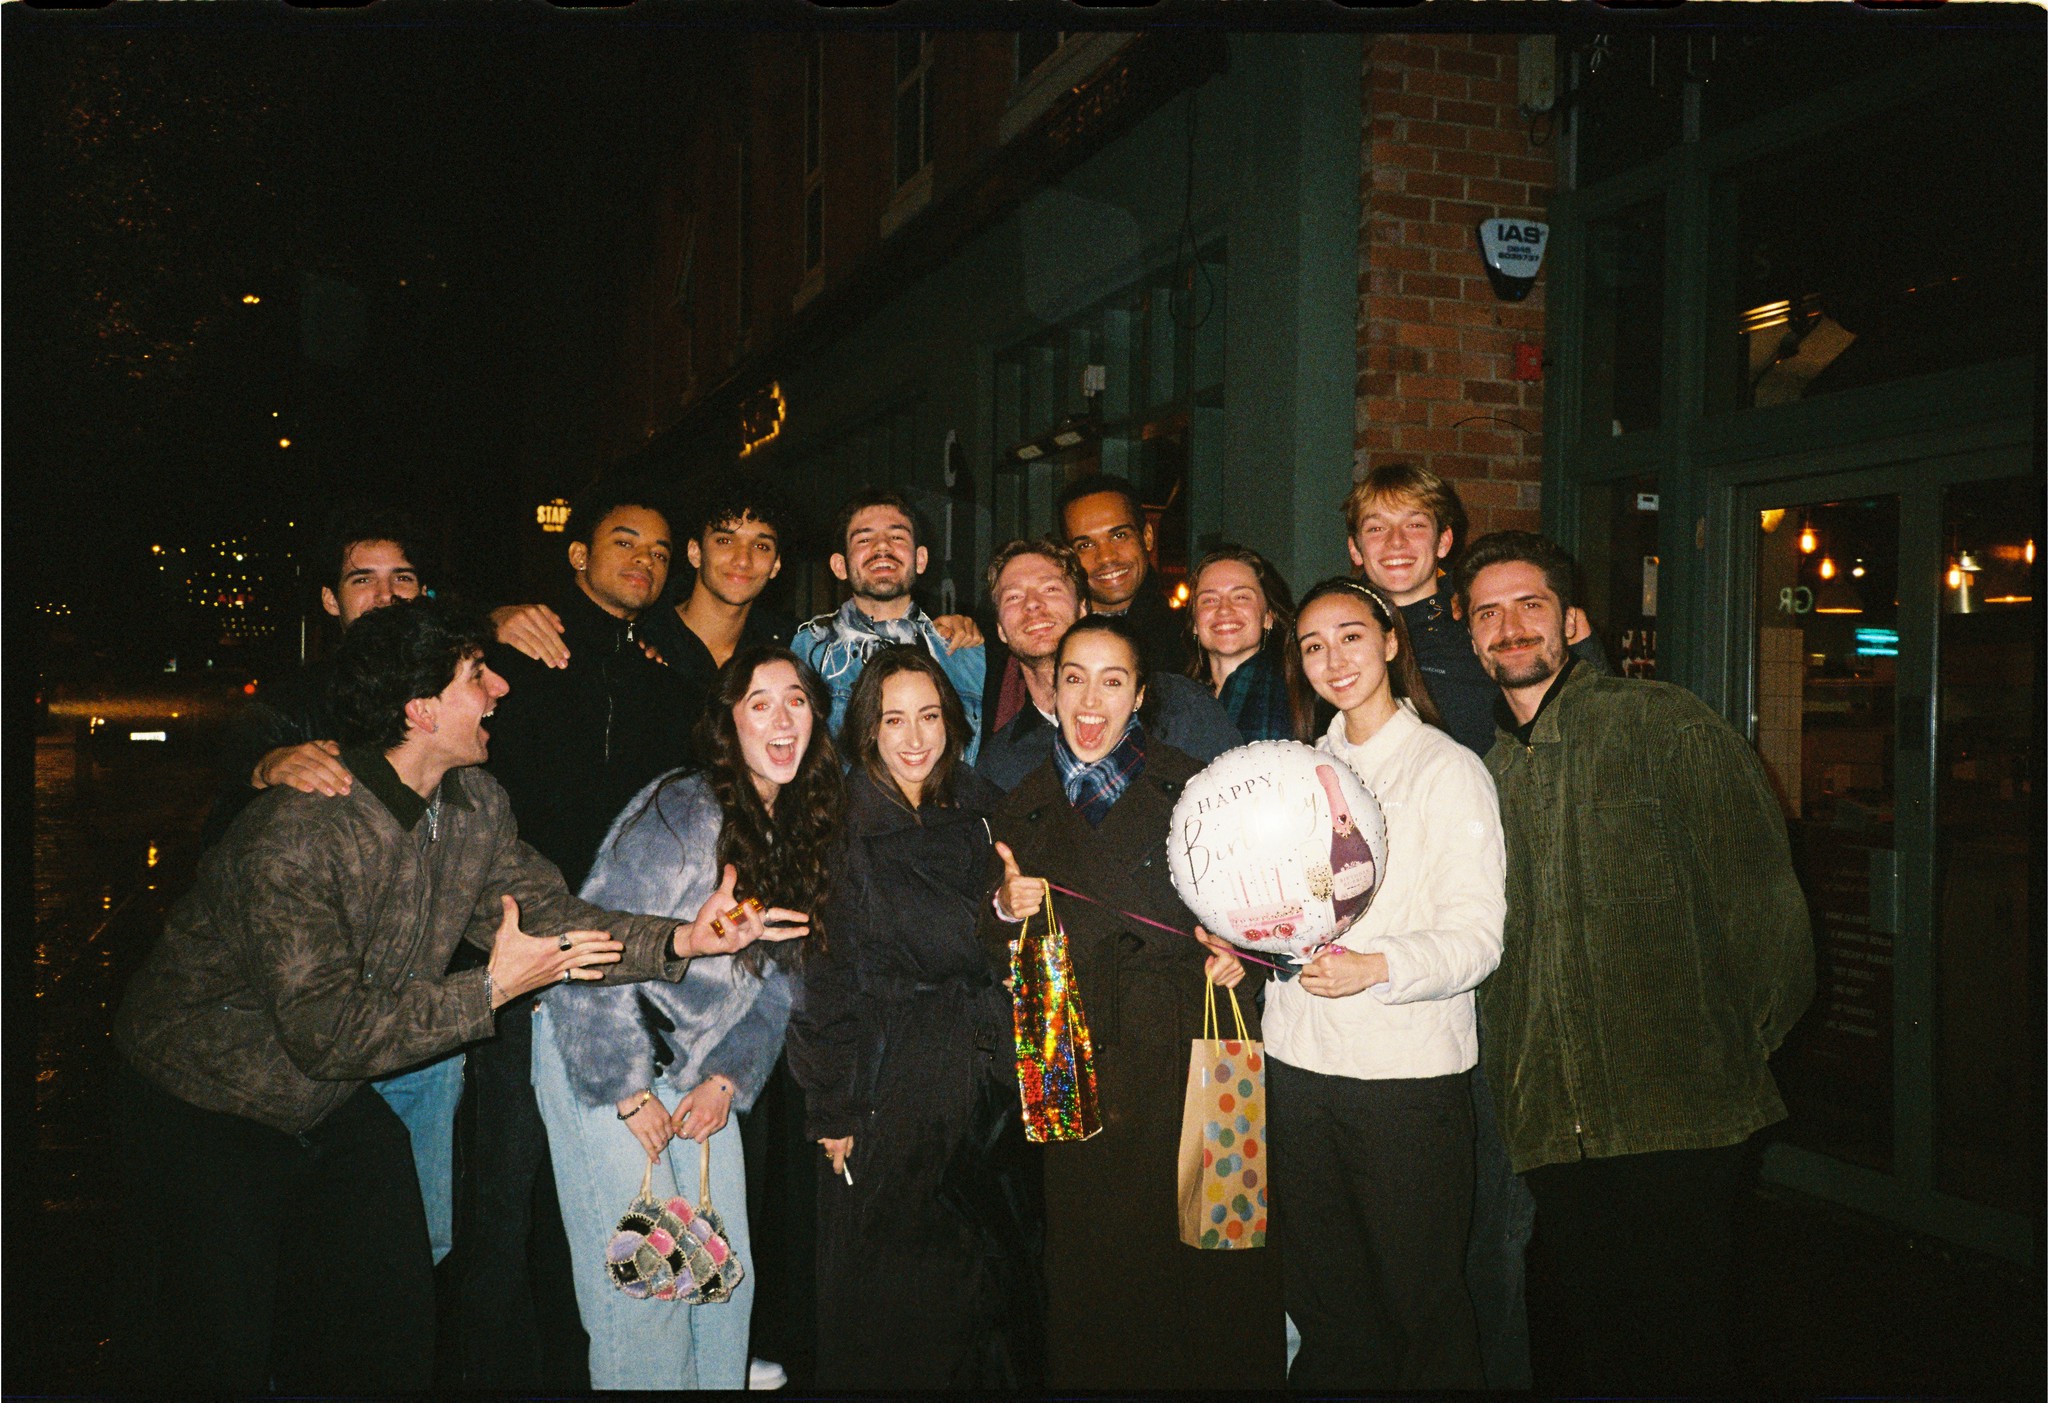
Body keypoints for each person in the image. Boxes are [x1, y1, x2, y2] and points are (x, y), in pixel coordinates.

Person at [112, 598, 776, 1393]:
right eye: (476, 675)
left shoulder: (473, 805)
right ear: (420, 709)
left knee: (390, 1324)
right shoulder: (298, 832)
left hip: (324, 1097)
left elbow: (556, 918)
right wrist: (492, 989)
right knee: (219, 1345)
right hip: (204, 1098)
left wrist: (683, 940)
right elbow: (327, 1032)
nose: (500, 687)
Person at [1454, 531, 1814, 1392]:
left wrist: (1731, 1051)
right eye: (1488, 613)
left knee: (1685, 1350)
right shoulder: (1480, 779)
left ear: (1571, 620)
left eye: (1530, 604)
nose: (1510, 626)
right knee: (1597, 1346)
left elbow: (1767, 911)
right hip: (1552, 1125)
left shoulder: (1663, 723)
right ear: (1469, 636)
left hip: (1679, 1114)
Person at [1201, 577, 1503, 1388]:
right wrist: (1241, 943)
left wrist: (1379, 966)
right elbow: (1282, 910)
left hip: (1404, 1083)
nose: (1333, 658)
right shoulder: (1301, 768)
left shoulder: (1448, 769)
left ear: (1392, 642)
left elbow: (1480, 937)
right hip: (1297, 1068)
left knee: (1422, 1310)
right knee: (1326, 1308)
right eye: (1312, 645)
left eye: (1351, 636)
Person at [1343, 461, 1607, 1389]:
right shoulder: (1343, 647)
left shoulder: (1481, 644)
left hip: (1499, 950)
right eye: (1377, 528)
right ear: (1354, 548)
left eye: (1415, 525)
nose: (1397, 544)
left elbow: (1570, 749)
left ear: (1445, 541)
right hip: (1389, 970)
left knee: (1491, 1216)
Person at [986, 615, 1284, 1389]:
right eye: (1073, 678)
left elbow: (1264, 914)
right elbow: (993, 955)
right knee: (1092, 1274)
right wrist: (1005, 912)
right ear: (1051, 690)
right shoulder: (1019, 804)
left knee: (1213, 1256)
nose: (1090, 700)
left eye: (1112, 680)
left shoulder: (1199, 789)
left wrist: (1241, 960)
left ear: (1140, 694)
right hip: (1070, 1059)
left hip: (1193, 1056)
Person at [531, 646, 841, 1390]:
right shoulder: (685, 809)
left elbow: (778, 992)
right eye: (759, 702)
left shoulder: (799, 825)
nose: (782, 718)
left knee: (721, 1281)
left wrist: (727, 1078)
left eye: (796, 700)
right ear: (728, 724)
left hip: (696, 1072)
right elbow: (587, 944)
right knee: (649, 1292)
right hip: (606, 1049)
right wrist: (625, 1089)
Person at [456, 475, 702, 1390]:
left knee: (624, 1198)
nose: (645, 560)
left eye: (660, 551)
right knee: (504, 1192)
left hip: (622, 967)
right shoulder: (508, 659)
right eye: (625, 541)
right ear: (576, 554)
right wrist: (489, 618)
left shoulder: (664, 680)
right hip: (517, 958)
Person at [786, 647, 1039, 1389]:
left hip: (987, 1072)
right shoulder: (837, 824)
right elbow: (819, 977)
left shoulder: (984, 806)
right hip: (890, 1077)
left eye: (929, 715)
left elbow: (1014, 935)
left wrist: (1009, 914)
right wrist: (832, 1104)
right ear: (868, 727)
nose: (915, 736)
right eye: (894, 719)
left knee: (987, 1279)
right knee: (892, 1287)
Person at [975, 538, 1240, 792]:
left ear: (1083, 609)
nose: (1032, 604)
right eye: (1013, 597)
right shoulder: (1000, 764)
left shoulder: (1179, 707)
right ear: (1000, 629)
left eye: (1050, 589)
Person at [791, 487, 986, 759]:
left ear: (920, 560)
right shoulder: (807, 652)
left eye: (896, 537)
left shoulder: (964, 652)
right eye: (864, 539)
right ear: (840, 566)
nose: (882, 547)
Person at [1057, 473, 1193, 675]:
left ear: (1147, 537)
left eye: (1119, 536)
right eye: (1085, 545)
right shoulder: (1052, 638)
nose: (1106, 557)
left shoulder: (1191, 642)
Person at [1185, 544, 1296, 742]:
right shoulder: (1176, 701)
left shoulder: (1291, 698)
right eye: (1209, 600)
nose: (1224, 609)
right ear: (1195, 623)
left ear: (1268, 617)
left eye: (1241, 597)